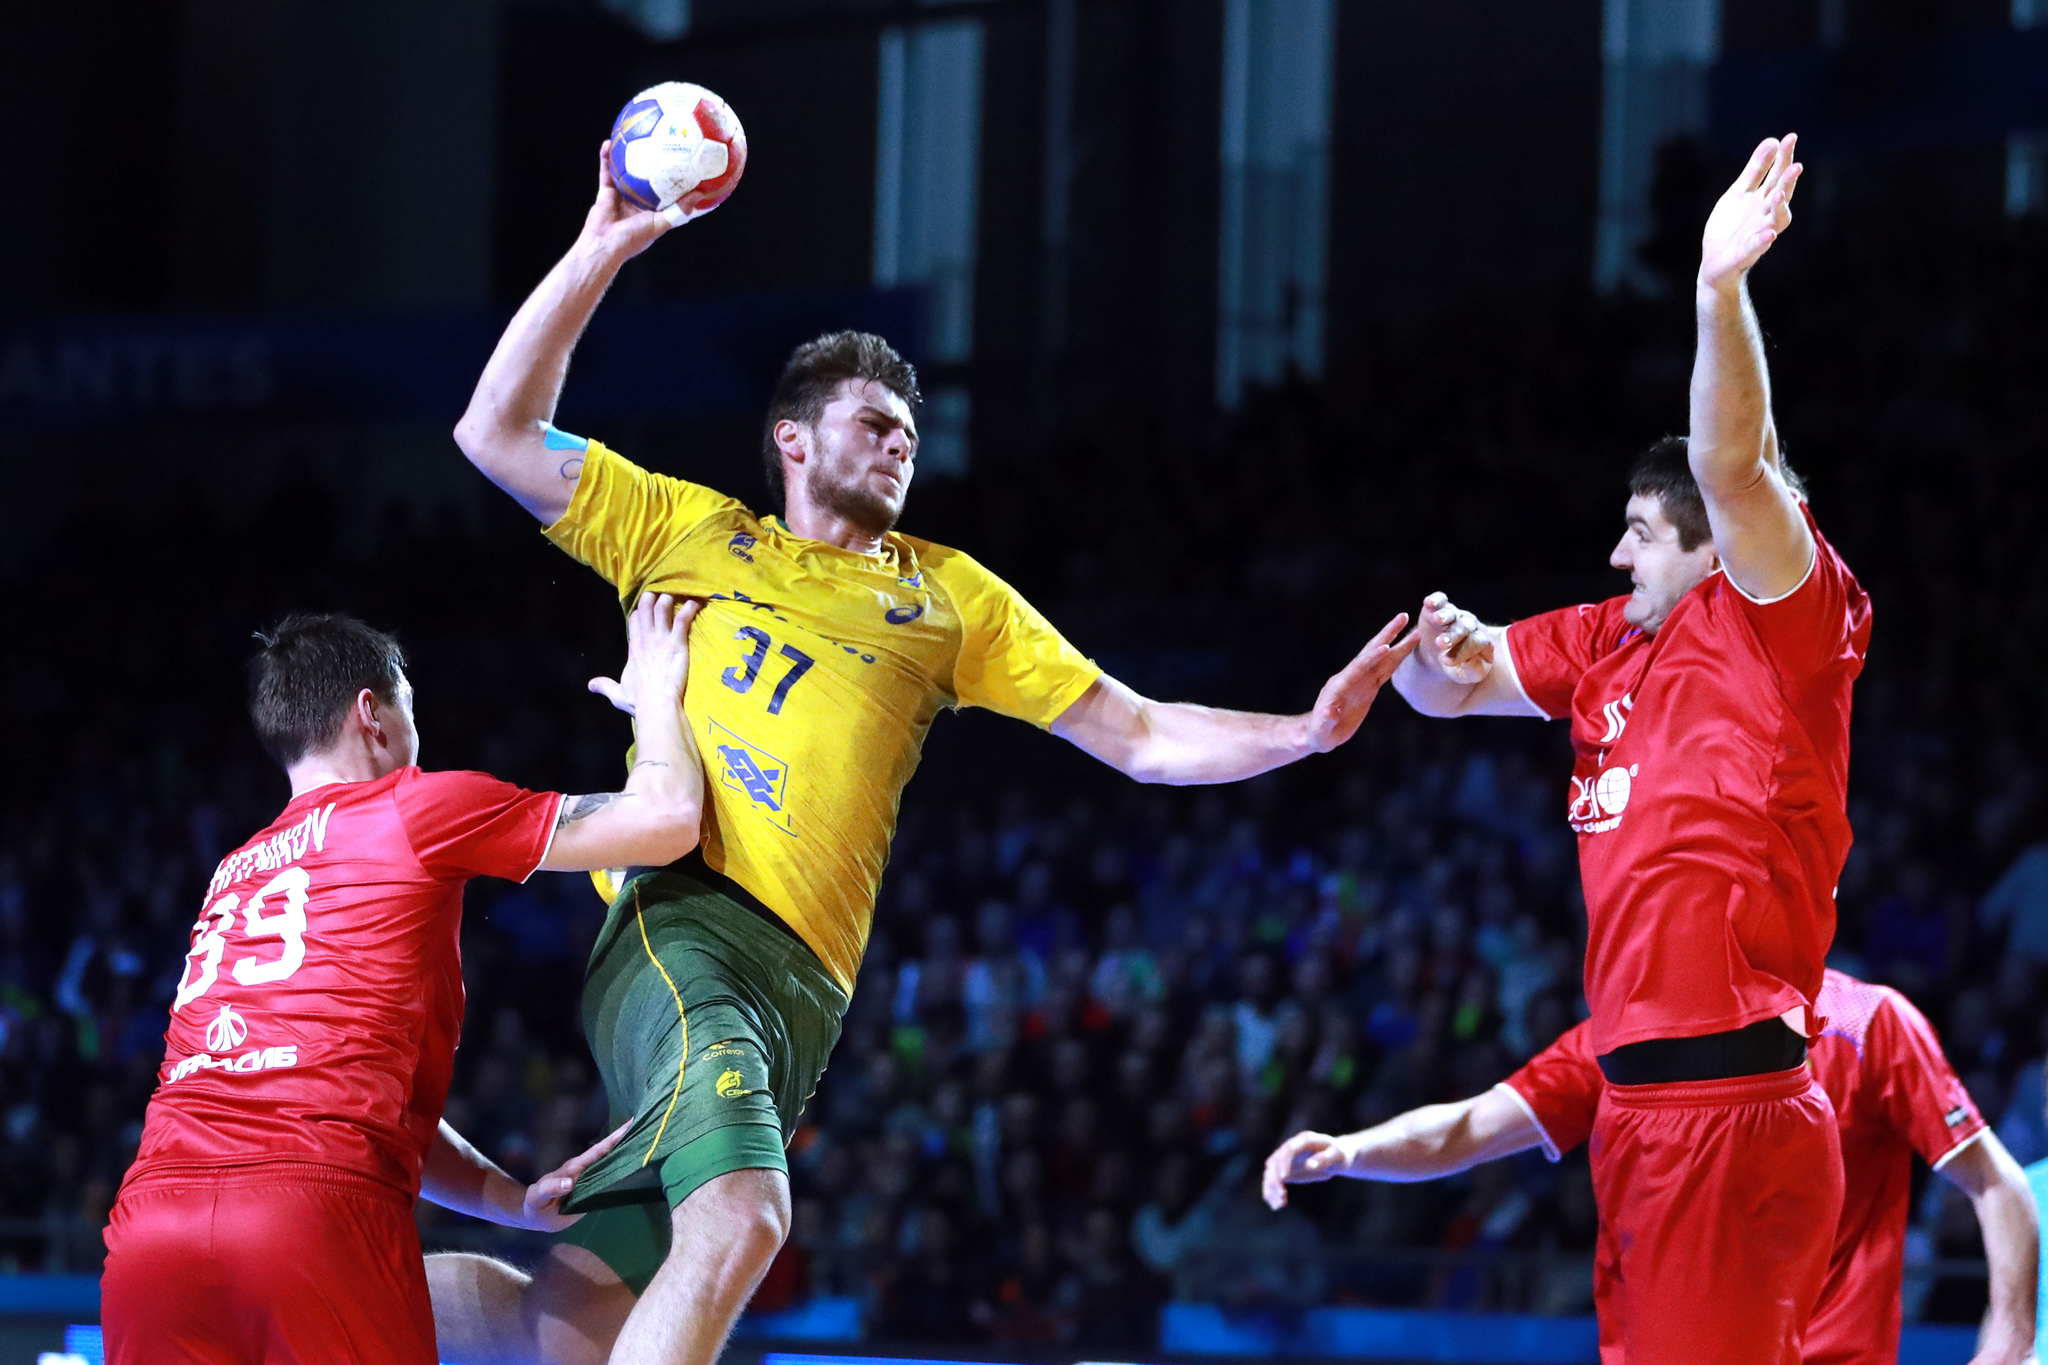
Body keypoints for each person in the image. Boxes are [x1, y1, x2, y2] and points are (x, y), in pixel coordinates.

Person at [430, 141, 1417, 1365]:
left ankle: (280, 1302)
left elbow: (1143, 734)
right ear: (791, 439)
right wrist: (607, 242)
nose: (900, 443)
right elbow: (494, 429)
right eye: (870, 423)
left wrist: (1310, 731)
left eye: (909, 431)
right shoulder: (686, 529)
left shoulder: (949, 597)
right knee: (744, 1219)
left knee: (559, 1327)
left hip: (808, 996)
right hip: (688, 932)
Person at [1389, 134, 1863, 1363]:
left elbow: (1733, 463)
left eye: (1639, 534)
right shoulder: (1605, 641)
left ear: (1713, 546)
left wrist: (1717, 289)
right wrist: (1437, 658)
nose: (1616, 556)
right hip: (1636, 1113)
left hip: (1730, 1101)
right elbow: (1457, 690)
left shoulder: (1783, 624)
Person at [101, 595, 709, 1365]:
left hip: (152, 1228)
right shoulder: (416, 805)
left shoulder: (233, 873)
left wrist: (509, 1201)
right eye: (410, 707)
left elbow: (343, 1098)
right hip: (313, 1219)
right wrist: (656, 693)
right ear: (372, 714)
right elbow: (667, 819)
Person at [1263, 968, 2041, 1365]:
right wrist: (1350, 1151)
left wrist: (2005, 1341)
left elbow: (2000, 1184)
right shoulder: (1622, 1041)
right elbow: (1468, 1125)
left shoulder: (1869, 1025)